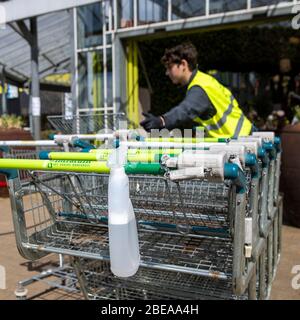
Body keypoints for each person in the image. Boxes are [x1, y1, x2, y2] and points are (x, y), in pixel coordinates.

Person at [140, 42, 253, 138]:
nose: (167, 73)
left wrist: (162, 121)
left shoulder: (199, 88)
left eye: (170, 68)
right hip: (243, 136)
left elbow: (185, 110)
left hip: (242, 140)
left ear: (183, 64)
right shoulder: (202, 80)